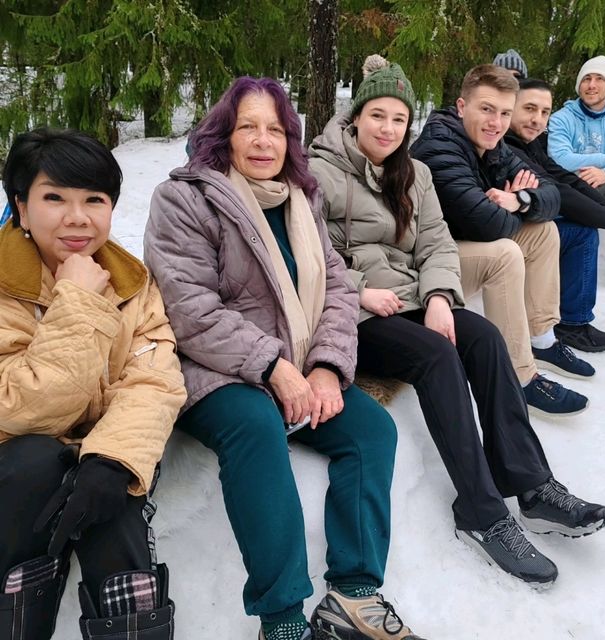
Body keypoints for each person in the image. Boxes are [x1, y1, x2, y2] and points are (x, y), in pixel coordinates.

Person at [308, 54, 605, 590]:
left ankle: (533, 484)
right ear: (356, 116)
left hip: (411, 297)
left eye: (399, 119)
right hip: (353, 311)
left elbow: (437, 243)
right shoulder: (320, 172)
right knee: (436, 355)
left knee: (485, 337)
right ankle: (480, 508)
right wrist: (362, 291)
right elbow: (312, 255)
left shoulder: (415, 172)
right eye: (378, 116)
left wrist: (441, 296)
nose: (388, 129)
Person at [143, 76, 426, 640]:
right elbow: (189, 309)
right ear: (222, 134)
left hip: (300, 365)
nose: (263, 140)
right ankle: (282, 616)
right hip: (218, 371)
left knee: (371, 432)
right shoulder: (185, 198)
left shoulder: (303, 198)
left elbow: (341, 290)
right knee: (253, 425)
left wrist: (324, 367)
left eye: (275, 128)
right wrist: (275, 367)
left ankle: (353, 591)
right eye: (248, 126)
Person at [0, 128, 186, 640]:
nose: (77, 217)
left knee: (114, 495)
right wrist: (77, 302)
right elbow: (18, 407)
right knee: (38, 462)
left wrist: (111, 460)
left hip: (93, 451)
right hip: (14, 467)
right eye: (54, 197)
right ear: (21, 205)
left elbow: (155, 379)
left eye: (94, 200)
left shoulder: (132, 281)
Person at [411, 64, 594, 418]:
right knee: (505, 252)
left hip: (457, 250)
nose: (496, 122)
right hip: (426, 271)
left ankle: (541, 338)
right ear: (462, 107)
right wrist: (508, 209)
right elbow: (487, 225)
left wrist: (519, 200)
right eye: (487, 109)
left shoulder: (491, 144)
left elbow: (551, 193)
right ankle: (520, 377)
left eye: (505, 113)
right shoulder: (439, 148)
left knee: (543, 231)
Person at [505, 78, 605, 351]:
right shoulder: (508, 146)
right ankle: (571, 325)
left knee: (579, 224)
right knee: (580, 232)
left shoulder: (529, 143)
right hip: (499, 233)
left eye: (544, 112)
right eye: (529, 109)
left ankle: (571, 320)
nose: (537, 119)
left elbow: (566, 180)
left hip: (519, 220)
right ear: (511, 107)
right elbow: (561, 192)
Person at [548, 55, 605, 298]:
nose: (592, 84)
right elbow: (560, 159)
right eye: (587, 78)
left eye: (599, 79)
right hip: (573, 189)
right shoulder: (561, 118)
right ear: (579, 84)